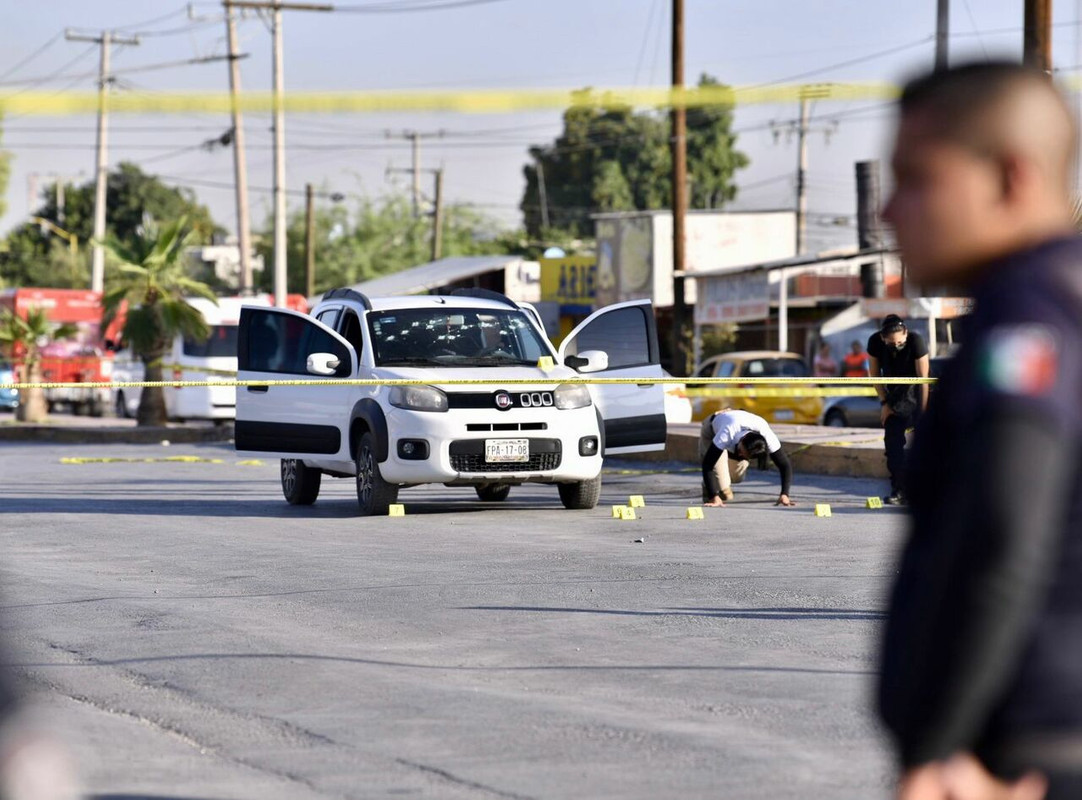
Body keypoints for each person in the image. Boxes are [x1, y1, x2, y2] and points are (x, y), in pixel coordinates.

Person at [877, 61, 1082, 800]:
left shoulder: (1031, 320)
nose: (889, 211)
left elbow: (1000, 535)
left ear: (1011, 177)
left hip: (1021, 762)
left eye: (917, 178)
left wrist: (934, 751)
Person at [867, 315, 929, 505]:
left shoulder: (916, 341)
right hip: (894, 398)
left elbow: (923, 380)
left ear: (906, 334)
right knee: (893, 447)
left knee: (925, 447)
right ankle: (899, 489)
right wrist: (884, 403)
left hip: (917, 393)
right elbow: (875, 375)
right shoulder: (874, 343)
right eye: (891, 344)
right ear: (883, 339)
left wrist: (924, 414)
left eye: (900, 343)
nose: (896, 346)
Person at [699, 409, 795, 507]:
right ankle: (710, 485)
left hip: (733, 427)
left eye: (745, 455)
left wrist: (785, 494)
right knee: (723, 491)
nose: (740, 455)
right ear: (742, 440)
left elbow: (785, 465)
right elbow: (708, 464)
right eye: (740, 451)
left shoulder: (767, 436)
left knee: (737, 478)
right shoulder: (727, 432)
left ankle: (720, 476)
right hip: (712, 432)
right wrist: (713, 496)